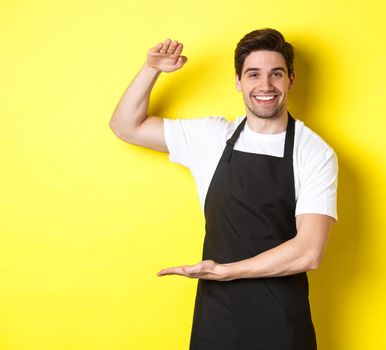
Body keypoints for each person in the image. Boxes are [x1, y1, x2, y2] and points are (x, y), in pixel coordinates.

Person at [109, 28, 338, 350]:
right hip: (218, 316)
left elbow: (309, 251)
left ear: (291, 80)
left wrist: (227, 271)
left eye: (276, 74)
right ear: (238, 82)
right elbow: (125, 126)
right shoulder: (211, 137)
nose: (265, 86)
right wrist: (151, 69)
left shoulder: (313, 151)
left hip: (281, 320)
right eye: (253, 74)